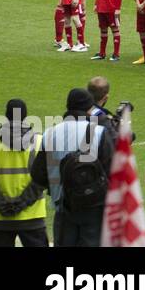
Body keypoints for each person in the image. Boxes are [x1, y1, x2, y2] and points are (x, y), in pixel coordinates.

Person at [30, 88, 118, 247]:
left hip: (63, 205)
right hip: (95, 207)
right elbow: (113, 172)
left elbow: (38, 176)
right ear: (89, 108)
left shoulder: (50, 133)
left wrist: (55, 185)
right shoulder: (99, 132)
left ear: (68, 106)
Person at [0, 99, 48, 247]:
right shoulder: (39, 141)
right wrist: (22, 203)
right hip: (33, 215)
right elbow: (44, 179)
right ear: (25, 116)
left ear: (6, 115)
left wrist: (1, 203)